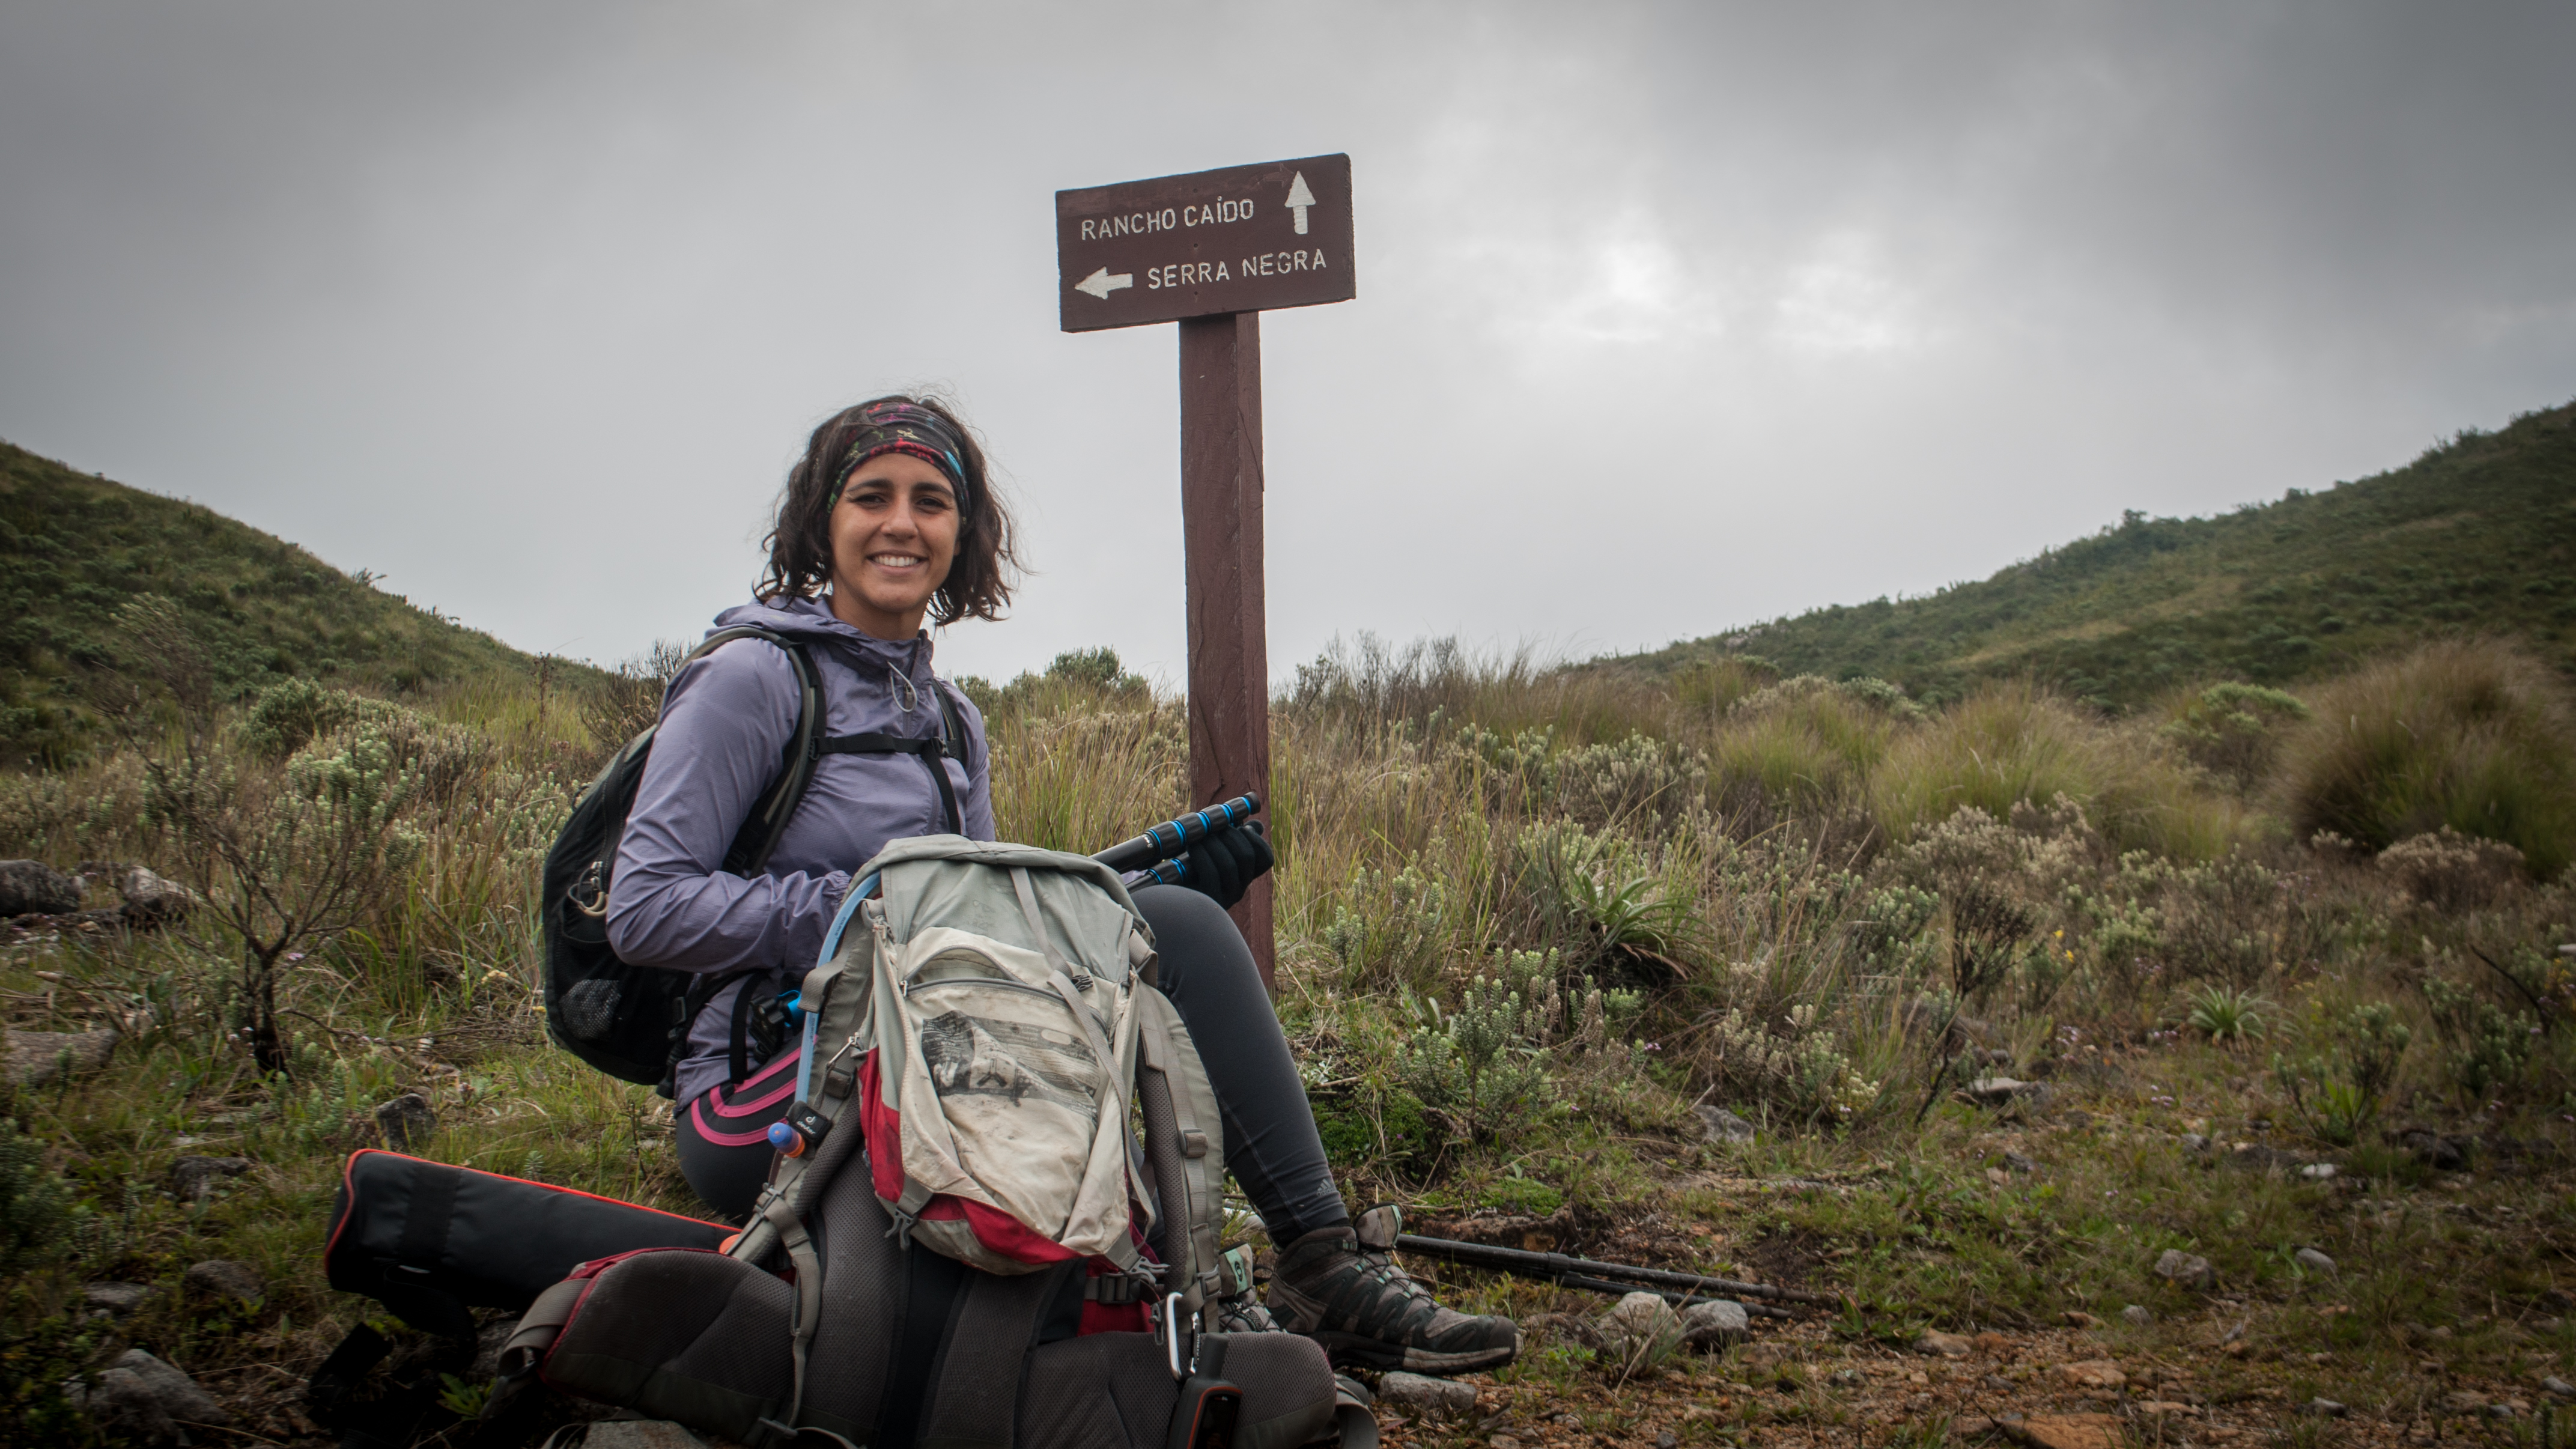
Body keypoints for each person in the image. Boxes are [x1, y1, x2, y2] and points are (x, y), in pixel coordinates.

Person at [604, 395, 1517, 1376]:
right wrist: (875, 908)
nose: (901, 523)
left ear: (964, 532)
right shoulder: (755, 678)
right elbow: (646, 908)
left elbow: (988, 934)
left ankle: (1321, 1262)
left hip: (944, 1055)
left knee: (1173, 922)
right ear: (823, 524)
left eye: (931, 501)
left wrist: (1111, 906)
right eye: (871, 497)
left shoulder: (954, 722)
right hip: (776, 1089)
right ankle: (1181, 1291)